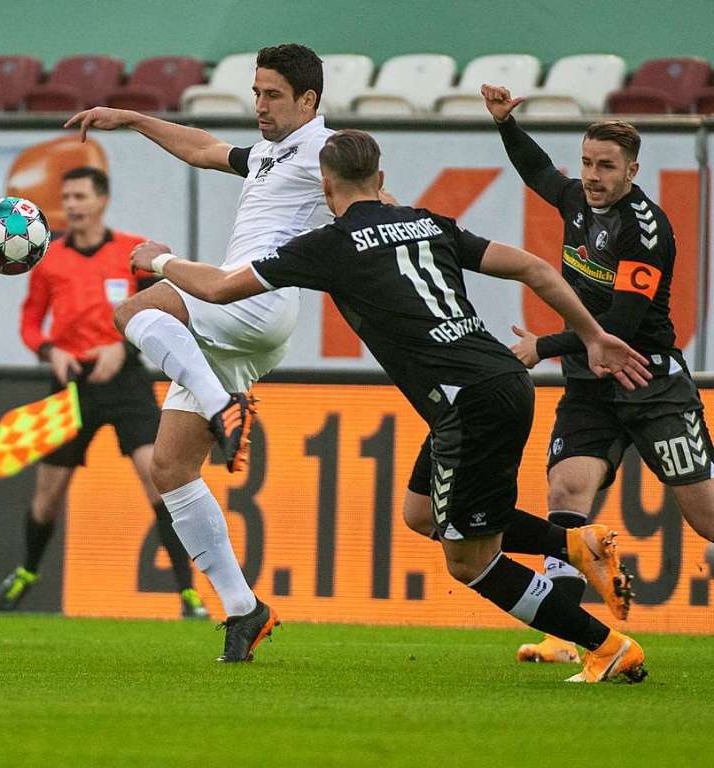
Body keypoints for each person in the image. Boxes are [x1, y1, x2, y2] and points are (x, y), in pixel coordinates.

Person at [128, 129, 653, 684]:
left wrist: (162, 261)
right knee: (422, 514)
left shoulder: (330, 245)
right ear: (380, 180)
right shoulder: (430, 223)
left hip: (466, 402)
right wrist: (592, 336)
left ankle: (605, 646)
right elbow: (535, 268)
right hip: (501, 380)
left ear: (326, 187)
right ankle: (575, 543)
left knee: (470, 562)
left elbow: (216, 289)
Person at [65, 44, 334, 662]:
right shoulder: (271, 151)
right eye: (256, 93)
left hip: (255, 296)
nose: (260, 106)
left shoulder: (325, 147)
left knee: (135, 309)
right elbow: (203, 148)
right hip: (239, 320)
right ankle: (245, 610)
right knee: (171, 470)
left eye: (272, 95)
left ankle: (222, 409)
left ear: (308, 101)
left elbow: (376, 194)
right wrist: (131, 119)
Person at [455, 84, 714, 665]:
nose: (593, 176)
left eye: (607, 167)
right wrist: (505, 126)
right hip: (591, 388)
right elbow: (538, 172)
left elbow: (619, 325)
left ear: (633, 170)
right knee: (566, 491)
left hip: (648, 384)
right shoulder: (576, 200)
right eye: (588, 163)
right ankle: (566, 638)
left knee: (706, 518)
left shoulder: (645, 229)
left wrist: (541, 346)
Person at [0, 167, 207, 619]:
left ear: (102, 200)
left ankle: (188, 594)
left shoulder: (131, 252)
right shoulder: (48, 258)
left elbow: (165, 312)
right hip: (71, 383)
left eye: (80, 196)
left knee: (159, 479)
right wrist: (49, 351)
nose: (71, 204)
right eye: (66, 196)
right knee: (47, 495)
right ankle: (27, 571)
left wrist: (122, 344)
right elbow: (31, 323)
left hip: (126, 379)